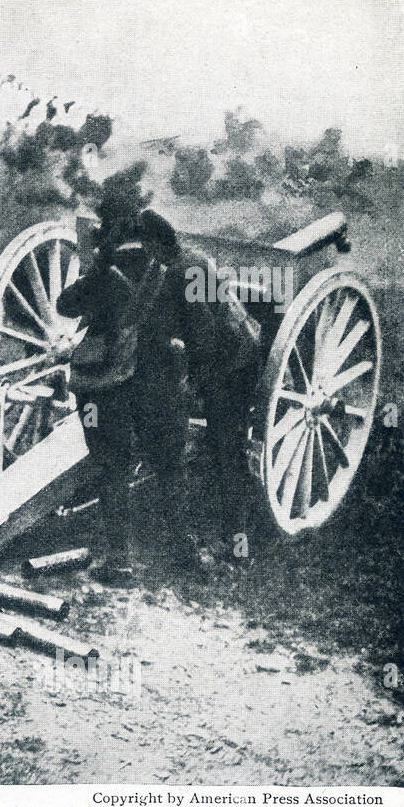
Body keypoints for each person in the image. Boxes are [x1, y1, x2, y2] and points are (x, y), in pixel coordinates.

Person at [57, 191, 198, 583]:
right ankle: (185, 554)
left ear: (108, 228)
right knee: (171, 467)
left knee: (112, 469)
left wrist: (97, 266)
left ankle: (119, 561)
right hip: (161, 387)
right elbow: (193, 325)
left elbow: (64, 306)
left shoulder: (103, 274)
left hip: (108, 390)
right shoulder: (172, 268)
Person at [136, 210, 262, 566]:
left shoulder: (180, 270)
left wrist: (188, 376)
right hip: (238, 345)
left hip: (231, 363)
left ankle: (239, 548)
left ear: (156, 243)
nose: (147, 252)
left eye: (147, 245)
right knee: (226, 450)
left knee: (228, 450)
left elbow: (204, 335)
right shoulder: (189, 256)